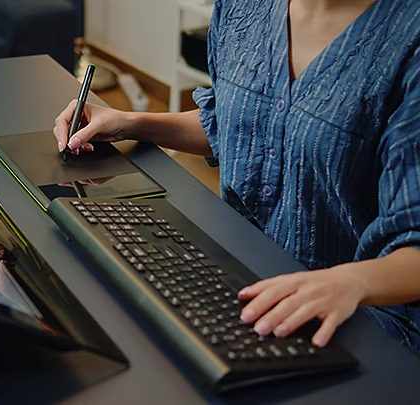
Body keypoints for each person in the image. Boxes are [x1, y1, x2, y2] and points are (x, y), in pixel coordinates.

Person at [53, 0, 420, 355]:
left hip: (351, 313)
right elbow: (239, 125)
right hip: (233, 264)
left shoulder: (408, 39)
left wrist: (350, 283)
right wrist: (131, 123)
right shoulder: (241, 6)